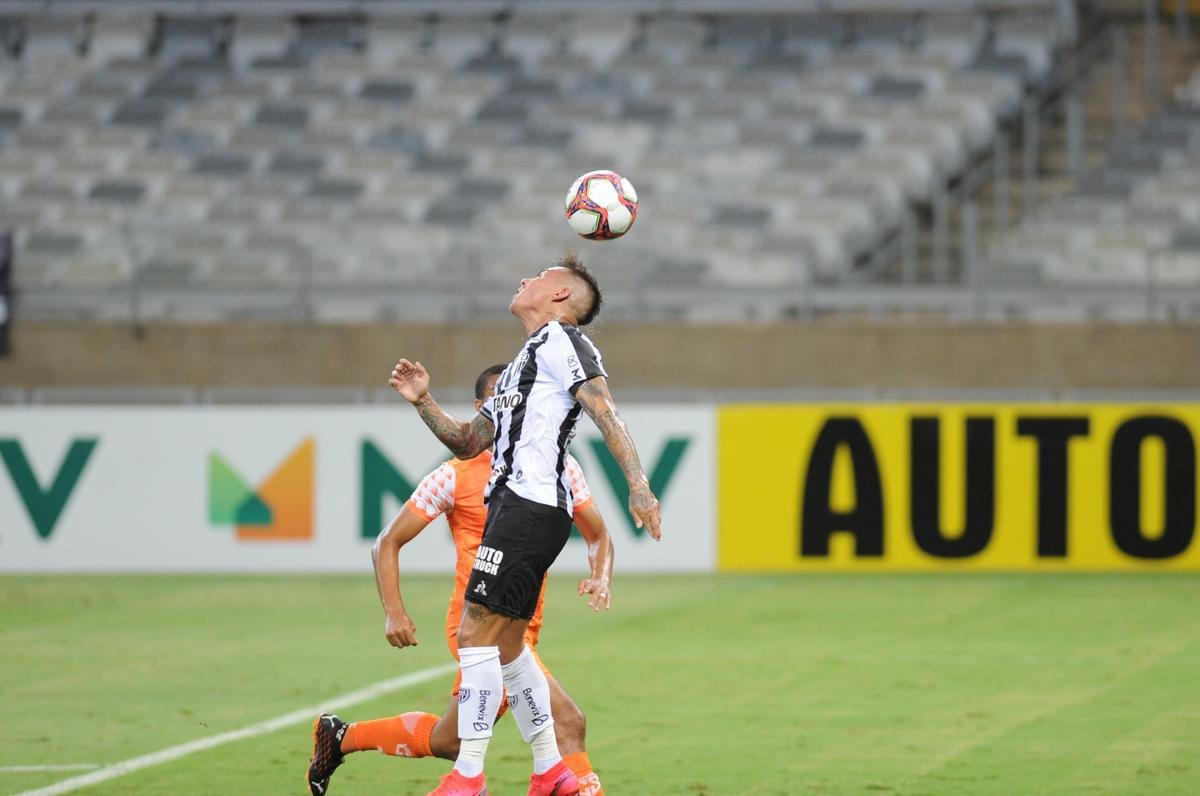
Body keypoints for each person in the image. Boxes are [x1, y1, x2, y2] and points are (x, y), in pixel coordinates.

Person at [388, 252, 662, 796]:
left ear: (561, 295)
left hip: (527, 505)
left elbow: (606, 411)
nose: (524, 279)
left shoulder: (565, 342)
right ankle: (550, 771)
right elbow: (470, 442)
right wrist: (423, 403)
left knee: (475, 634)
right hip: (524, 508)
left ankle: (468, 778)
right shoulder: (523, 363)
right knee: (509, 645)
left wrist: (638, 484)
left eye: (538, 277)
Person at [307, 363, 613, 796]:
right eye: (499, 400)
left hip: (522, 621)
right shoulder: (454, 474)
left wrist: (600, 574)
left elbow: (598, 533)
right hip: (476, 624)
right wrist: (394, 612)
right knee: (568, 721)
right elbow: (387, 542)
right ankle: (504, 779)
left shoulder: (558, 467)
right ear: (480, 411)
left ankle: (342, 737)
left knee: (449, 740)